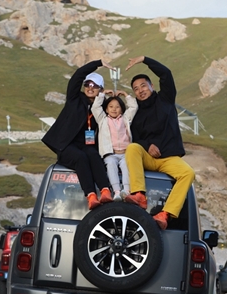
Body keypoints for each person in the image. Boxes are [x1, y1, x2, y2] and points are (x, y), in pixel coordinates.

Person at [123, 56, 195, 230]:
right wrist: (148, 145)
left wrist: (144, 59)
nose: (140, 90)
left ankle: (165, 214)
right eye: (136, 89)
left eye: (143, 86)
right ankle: (139, 194)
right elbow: (135, 138)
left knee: (188, 173)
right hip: (148, 158)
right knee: (132, 148)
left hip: (168, 158)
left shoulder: (165, 99)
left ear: (151, 86)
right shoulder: (135, 113)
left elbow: (166, 74)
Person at [42, 59, 115, 210]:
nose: (90, 88)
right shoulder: (74, 98)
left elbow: (116, 114)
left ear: (101, 89)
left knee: (94, 155)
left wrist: (115, 97)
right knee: (80, 158)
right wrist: (98, 63)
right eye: (87, 84)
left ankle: (105, 191)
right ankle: (91, 196)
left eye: (95, 85)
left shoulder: (101, 105)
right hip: (66, 146)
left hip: (87, 145)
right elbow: (78, 75)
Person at [92, 89, 138, 201]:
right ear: (106, 109)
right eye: (111, 107)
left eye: (117, 107)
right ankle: (116, 191)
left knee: (126, 167)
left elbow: (134, 107)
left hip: (125, 153)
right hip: (111, 154)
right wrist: (102, 94)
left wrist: (126, 95)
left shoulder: (125, 119)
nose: (114, 109)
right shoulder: (102, 120)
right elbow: (95, 108)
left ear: (122, 109)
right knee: (111, 166)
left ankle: (126, 191)